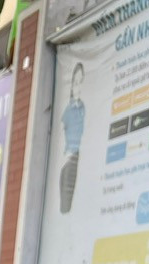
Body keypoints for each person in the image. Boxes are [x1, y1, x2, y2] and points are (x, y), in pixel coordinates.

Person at [59, 62, 86, 214]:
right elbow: (61, 132)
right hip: (68, 159)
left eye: (81, 82)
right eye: (76, 83)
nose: (78, 87)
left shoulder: (83, 108)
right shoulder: (68, 110)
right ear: (71, 86)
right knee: (65, 207)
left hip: (78, 158)